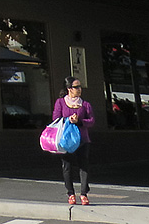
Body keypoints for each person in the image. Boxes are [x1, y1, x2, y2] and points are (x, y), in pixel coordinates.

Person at [52, 75, 95, 206]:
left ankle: (83, 193)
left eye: (80, 87)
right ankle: (70, 193)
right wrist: (68, 120)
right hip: (66, 140)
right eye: (76, 87)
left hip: (83, 139)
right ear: (69, 89)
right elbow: (55, 118)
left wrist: (80, 121)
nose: (79, 89)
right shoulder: (60, 102)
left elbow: (91, 121)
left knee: (84, 166)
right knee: (67, 167)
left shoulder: (85, 104)